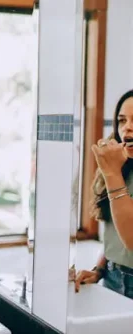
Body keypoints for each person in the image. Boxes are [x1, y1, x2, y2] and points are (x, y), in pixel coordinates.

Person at [75, 89, 133, 299]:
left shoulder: (114, 171)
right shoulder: (122, 167)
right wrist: (99, 270)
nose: (127, 127)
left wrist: (111, 173)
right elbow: (114, 231)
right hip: (112, 277)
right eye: (122, 120)